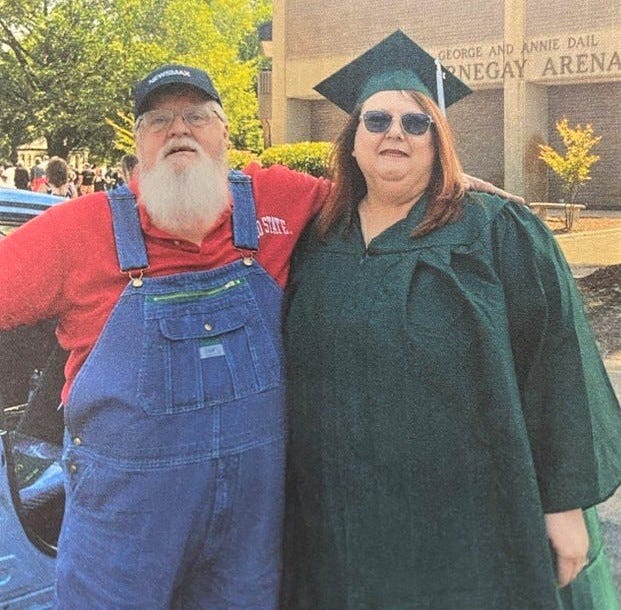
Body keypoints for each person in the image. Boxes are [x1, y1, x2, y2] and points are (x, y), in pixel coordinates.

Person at [0, 61, 519, 608]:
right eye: (159, 121)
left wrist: (450, 186)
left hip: (251, 533)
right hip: (124, 534)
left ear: (224, 131)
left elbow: (378, 200)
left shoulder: (282, 201)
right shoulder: (74, 231)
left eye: (197, 116)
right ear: (139, 142)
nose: (179, 130)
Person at [280, 30, 621, 610]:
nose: (395, 133)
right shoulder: (314, 240)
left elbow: (557, 364)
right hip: (343, 510)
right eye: (377, 119)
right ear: (352, 140)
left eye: (416, 124)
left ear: (439, 142)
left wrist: (563, 506)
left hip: (474, 510)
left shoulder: (496, 231)